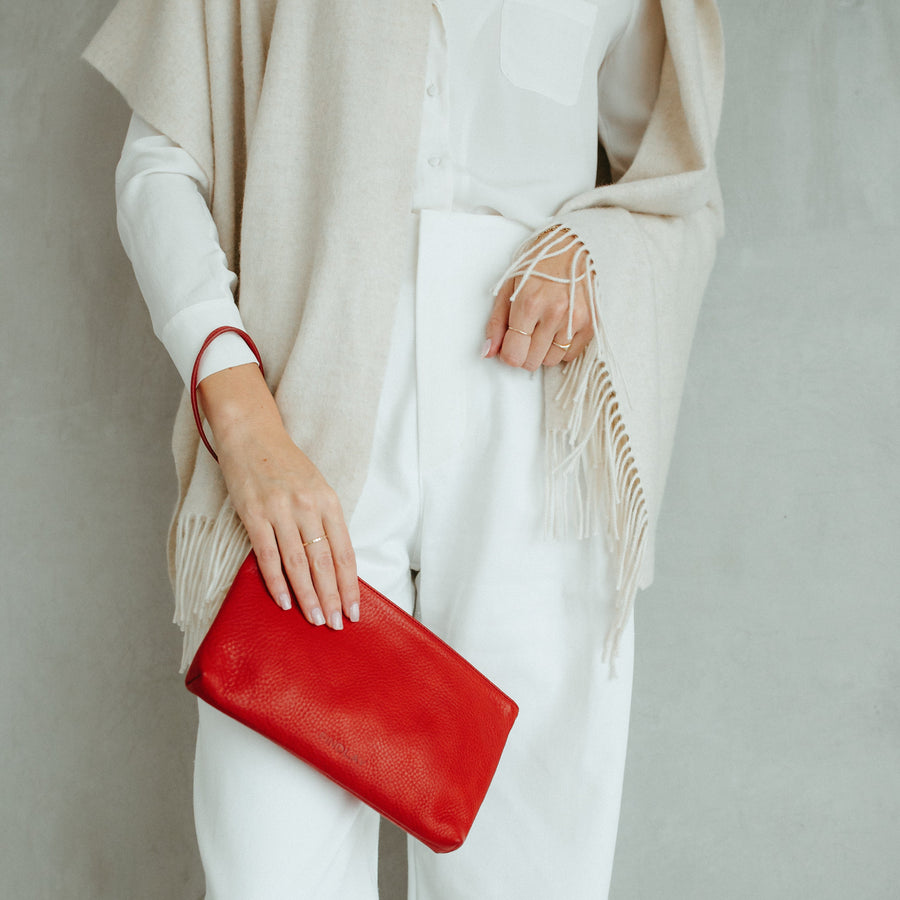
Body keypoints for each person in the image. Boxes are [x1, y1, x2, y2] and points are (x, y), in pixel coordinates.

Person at [84, 0, 724, 896]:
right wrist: (242, 421)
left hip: (534, 422)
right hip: (307, 404)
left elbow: (669, 184)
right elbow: (158, 166)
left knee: (530, 870)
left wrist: (595, 249)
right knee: (273, 870)